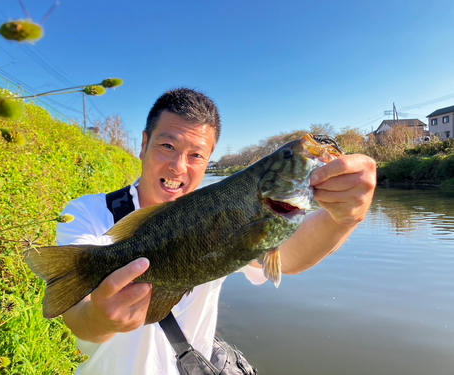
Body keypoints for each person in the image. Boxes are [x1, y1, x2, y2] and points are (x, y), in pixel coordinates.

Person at [56, 88, 377, 374]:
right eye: (168, 145)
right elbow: (76, 315)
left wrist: (344, 218)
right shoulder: (86, 214)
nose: (179, 166)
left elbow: (290, 258)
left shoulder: (226, 212)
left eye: (196, 155)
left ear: (209, 161)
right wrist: (100, 319)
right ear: (144, 144)